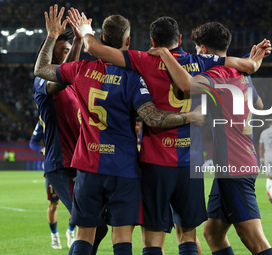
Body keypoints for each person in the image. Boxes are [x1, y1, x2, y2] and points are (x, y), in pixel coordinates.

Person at [79, 12, 266, 255]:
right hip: (190, 163)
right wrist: (253, 62)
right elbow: (241, 65)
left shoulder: (143, 59)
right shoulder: (201, 61)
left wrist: (85, 31)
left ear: (152, 41)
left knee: (152, 239)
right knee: (188, 234)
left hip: (155, 162)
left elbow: (95, 50)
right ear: (179, 38)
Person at [34, 5, 204, 255]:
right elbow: (153, 118)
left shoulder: (80, 69)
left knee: (84, 234)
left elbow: (41, 69)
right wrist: (190, 116)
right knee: (122, 236)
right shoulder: (134, 77)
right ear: (128, 41)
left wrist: (51, 36)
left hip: (89, 164)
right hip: (123, 167)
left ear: (101, 38)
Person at [148, 22, 272, 255]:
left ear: (204, 50)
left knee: (254, 239)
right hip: (238, 162)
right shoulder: (242, 74)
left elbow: (186, 85)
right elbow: (259, 105)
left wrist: (166, 54)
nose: (196, 54)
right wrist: (248, 64)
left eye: (197, 49)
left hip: (234, 166)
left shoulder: (216, 74)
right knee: (213, 234)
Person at [32, 6, 107, 253]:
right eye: (60, 52)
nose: (65, 57)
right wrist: (53, 36)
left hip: (80, 161)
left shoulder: (72, 83)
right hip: (61, 164)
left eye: (68, 52)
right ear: (49, 52)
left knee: (101, 225)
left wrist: (77, 40)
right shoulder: (42, 82)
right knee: (89, 222)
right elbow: (58, 79)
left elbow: (68, 72)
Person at [29, 120, 76, 249]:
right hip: (54, 167)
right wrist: (42, 149)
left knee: (75, 202)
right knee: (53, 203)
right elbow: (33, 142)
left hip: (72, 165)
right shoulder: (44, 119)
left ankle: (71, 232)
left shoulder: (71, 112)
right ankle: (54, 235)